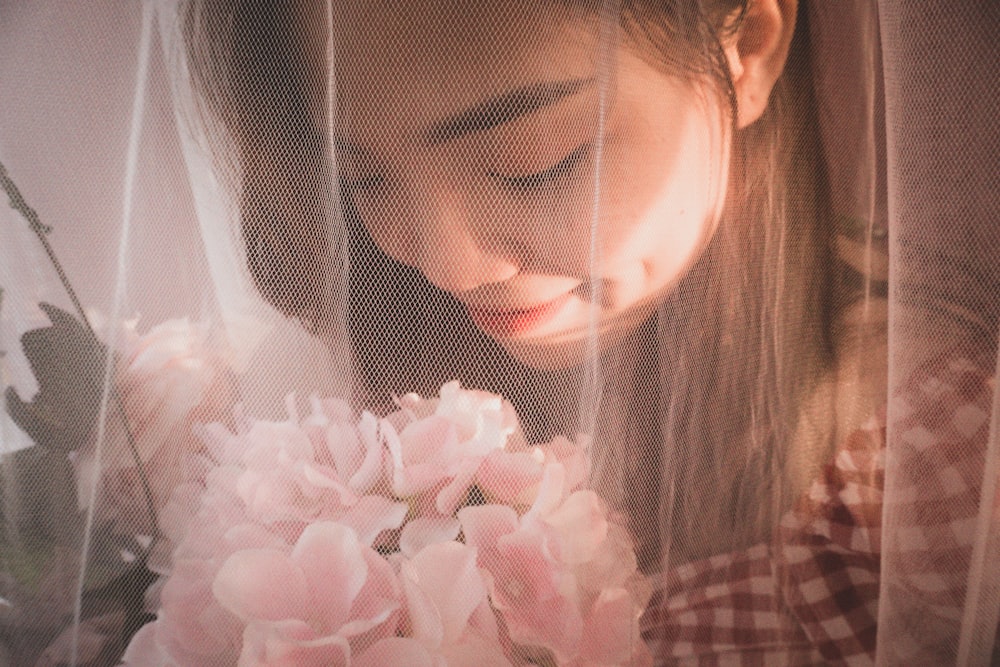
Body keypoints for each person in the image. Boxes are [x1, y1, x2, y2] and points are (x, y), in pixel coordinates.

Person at [174, 0, 1000, 663]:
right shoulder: (347, 410)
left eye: (534, 160)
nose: (448, 266)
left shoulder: (923, 465)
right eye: (364, 178)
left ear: (747, 43)